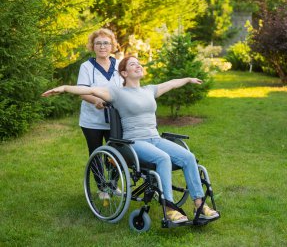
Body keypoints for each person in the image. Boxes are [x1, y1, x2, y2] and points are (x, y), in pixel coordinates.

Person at [42, 56, 219, 223]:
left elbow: (172, 84)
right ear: (124, 73)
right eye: (132, 64)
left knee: (188, 157)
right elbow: (89, 90)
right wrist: (64, 88)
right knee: (163, 158)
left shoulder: (149, 90)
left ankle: (199, 205)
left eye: (139, 63)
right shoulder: (116, 92)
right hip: (134, 142)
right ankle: (170, 208)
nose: (138, 65)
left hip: (155, 138)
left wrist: (188, 79)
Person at [77, 29, 124, 199]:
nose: (102, 46)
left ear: (112, 45)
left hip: (116, 118)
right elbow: (83, 92)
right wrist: (95, 100)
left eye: (106, 43)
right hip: (92, 120)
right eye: (98, 43)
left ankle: (113, 184)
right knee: (96, 153)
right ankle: (102, 188)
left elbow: (127, 87)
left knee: (117, 153)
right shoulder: (87, 67)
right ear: (93, 46)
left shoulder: (120, 65)